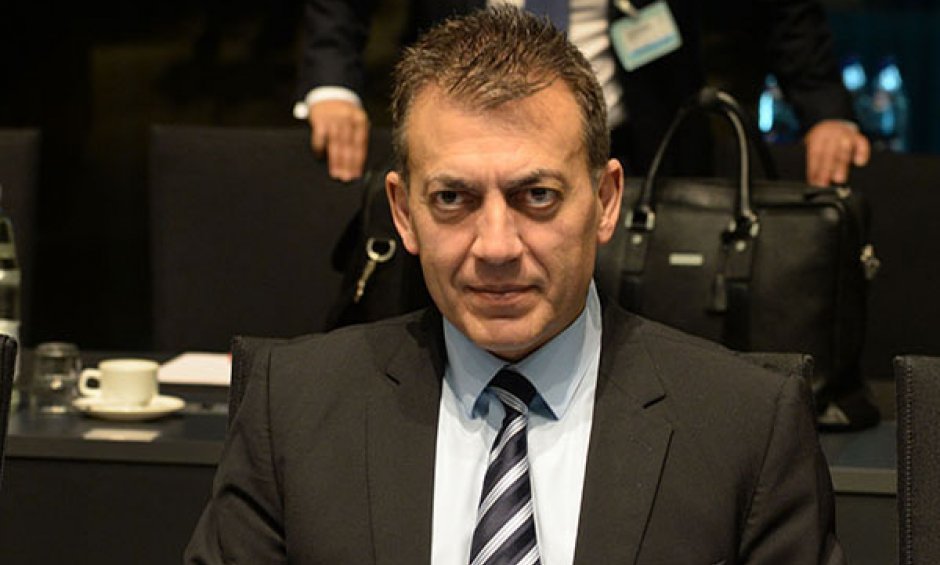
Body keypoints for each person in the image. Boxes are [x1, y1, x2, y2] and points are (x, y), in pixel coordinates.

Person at [188, 7, 844, 563]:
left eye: (537, 196)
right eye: (452, 198)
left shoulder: (748, 426)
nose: (496, 247)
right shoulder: (289, 410)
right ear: (403, 213)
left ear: (606, 200)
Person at [296, 0, 869, 187]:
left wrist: (823, 106)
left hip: (642, 141)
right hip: (469, 136)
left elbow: (786, 10)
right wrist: (332, 83)